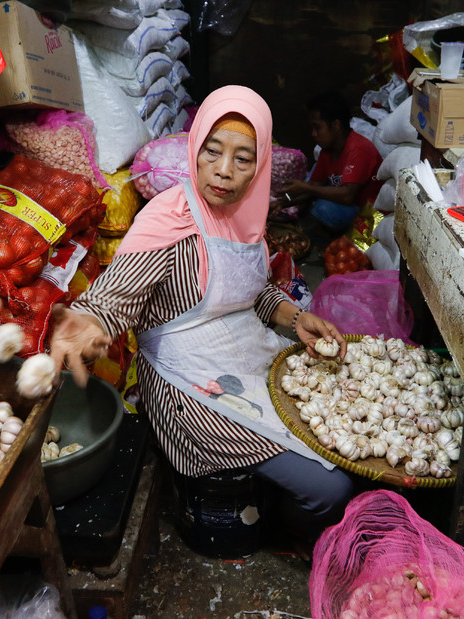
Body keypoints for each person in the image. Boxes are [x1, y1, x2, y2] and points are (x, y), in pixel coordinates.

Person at [49, 85, 354, 543]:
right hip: (187, 381)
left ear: (261, 164)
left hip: (247, 350)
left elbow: (249, 294)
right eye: (211, 151)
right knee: (331, 487)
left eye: (243, 159)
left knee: (343, 421)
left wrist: (293, 318)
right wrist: (91, 324)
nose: (223, 171)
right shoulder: (167, 220)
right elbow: (115, 297)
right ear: (195, 148)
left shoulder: (247, 216)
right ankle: (287, 537)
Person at [275, 91, 383, 233]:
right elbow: (313, 185)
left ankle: (338, 236)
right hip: (348, 200)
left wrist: (306, 188)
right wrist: (280, 204)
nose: (313, 134)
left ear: (336, 125)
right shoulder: (328, 150)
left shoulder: (359, 149)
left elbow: (347, 195)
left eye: (317, 127)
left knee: (323, 208)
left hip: (370, 211)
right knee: (311, 181)